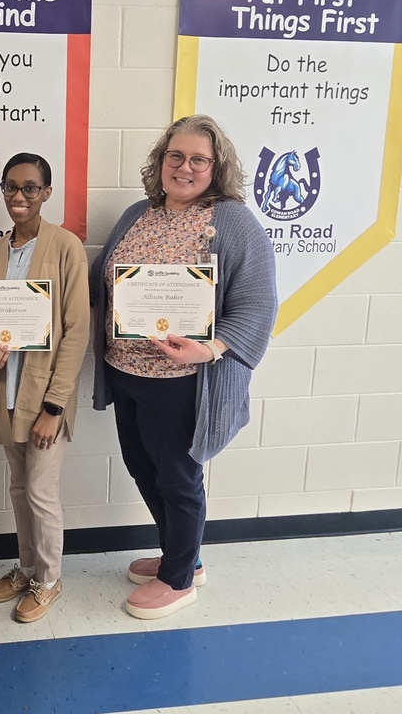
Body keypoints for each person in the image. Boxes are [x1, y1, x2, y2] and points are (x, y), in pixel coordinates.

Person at [90, 115, 277, 620]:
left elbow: (258, 304)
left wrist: (210, 349)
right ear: (161, 160)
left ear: (216, 168)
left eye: (199, 159)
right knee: (142, 468)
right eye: (176, 156)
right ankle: (183, 556)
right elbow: (100, 283)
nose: (185, 167)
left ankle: (179, 580)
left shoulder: (232, 222)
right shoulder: (138, 214)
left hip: (182, 381)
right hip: (125, 371)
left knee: (178, 477)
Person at [0, 152, 90, 623]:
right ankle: (26, 568)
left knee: (42, 492)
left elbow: (77, 330)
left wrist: (55, 406)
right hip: (6, 393)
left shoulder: (65, 247)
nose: (18, 197)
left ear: (46, 193)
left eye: (29, 188)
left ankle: (49, 578)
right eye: (10, 187)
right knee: (20, 488)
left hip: (44, 396)